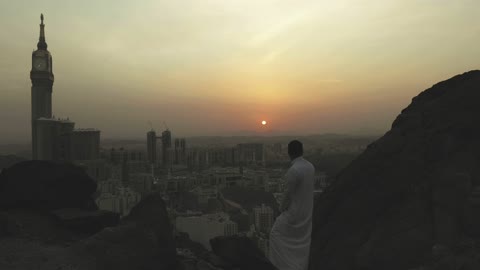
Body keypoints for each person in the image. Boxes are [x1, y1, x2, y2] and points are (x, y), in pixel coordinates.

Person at [269, 140, 315, 270]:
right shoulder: (310, 167)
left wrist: (280, 210)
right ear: (302, 151)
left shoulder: (293, 171)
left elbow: (287, 196)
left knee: (275, 234)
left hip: (294, 213)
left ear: (289, 153)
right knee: (302, 241)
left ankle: (284, 266)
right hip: (307, 212)